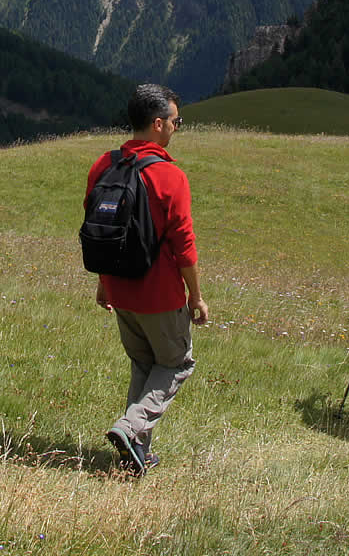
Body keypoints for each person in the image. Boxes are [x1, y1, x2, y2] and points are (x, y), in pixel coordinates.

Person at [87, 83, 208, 476]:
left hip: (120, 288)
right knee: (176, 364)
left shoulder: (103, 166)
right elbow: (184, 245)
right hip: (159, 292)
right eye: (176, 121)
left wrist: (104, 282)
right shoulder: (170, 175)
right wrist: (196, 296)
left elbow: (97, 230)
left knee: (144, 364)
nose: (177, 128)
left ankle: (135, 454)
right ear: (158, 124)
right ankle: (130, 427)